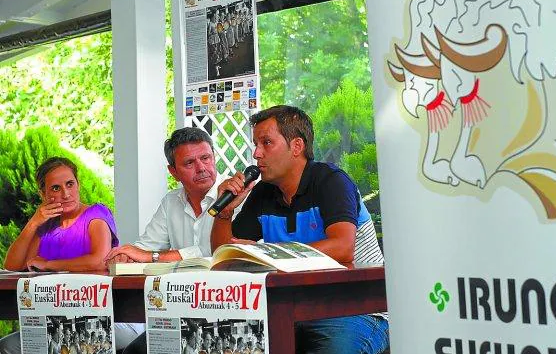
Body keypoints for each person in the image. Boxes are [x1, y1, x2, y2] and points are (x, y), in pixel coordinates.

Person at [211, 105, 388, 354]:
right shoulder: (263, 192)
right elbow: (223, 255)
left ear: (296, 146)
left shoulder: (332, 181)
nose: (256, 154)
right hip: (290, 309)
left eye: (266, 143)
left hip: (357, 308)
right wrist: (225, 213)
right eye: (255, 144)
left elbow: (342, 249)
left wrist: (266, 254)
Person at [0, 157, 142, 353]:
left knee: (72, 342)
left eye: (70, 184)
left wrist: (50, 264)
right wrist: (33, 223)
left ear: (78, 184)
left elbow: (99, 261)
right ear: (43, 193)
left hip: (114, 318)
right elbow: (12, 265)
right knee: (7, 346)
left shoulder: (96, 214)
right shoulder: (45, 228)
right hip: (60, 320)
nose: (66, 194)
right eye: (56, 188)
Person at [105, 127, 222, 354]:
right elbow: (144, 248)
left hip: (227, 307)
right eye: (189, 163)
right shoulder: (171, 202)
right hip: (179, 308)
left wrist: (150, 256)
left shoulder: (236, 193)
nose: (201, 168)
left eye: (206, 158)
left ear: (213, 157)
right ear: (173, 172)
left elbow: (217, 252)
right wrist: (125, 255)